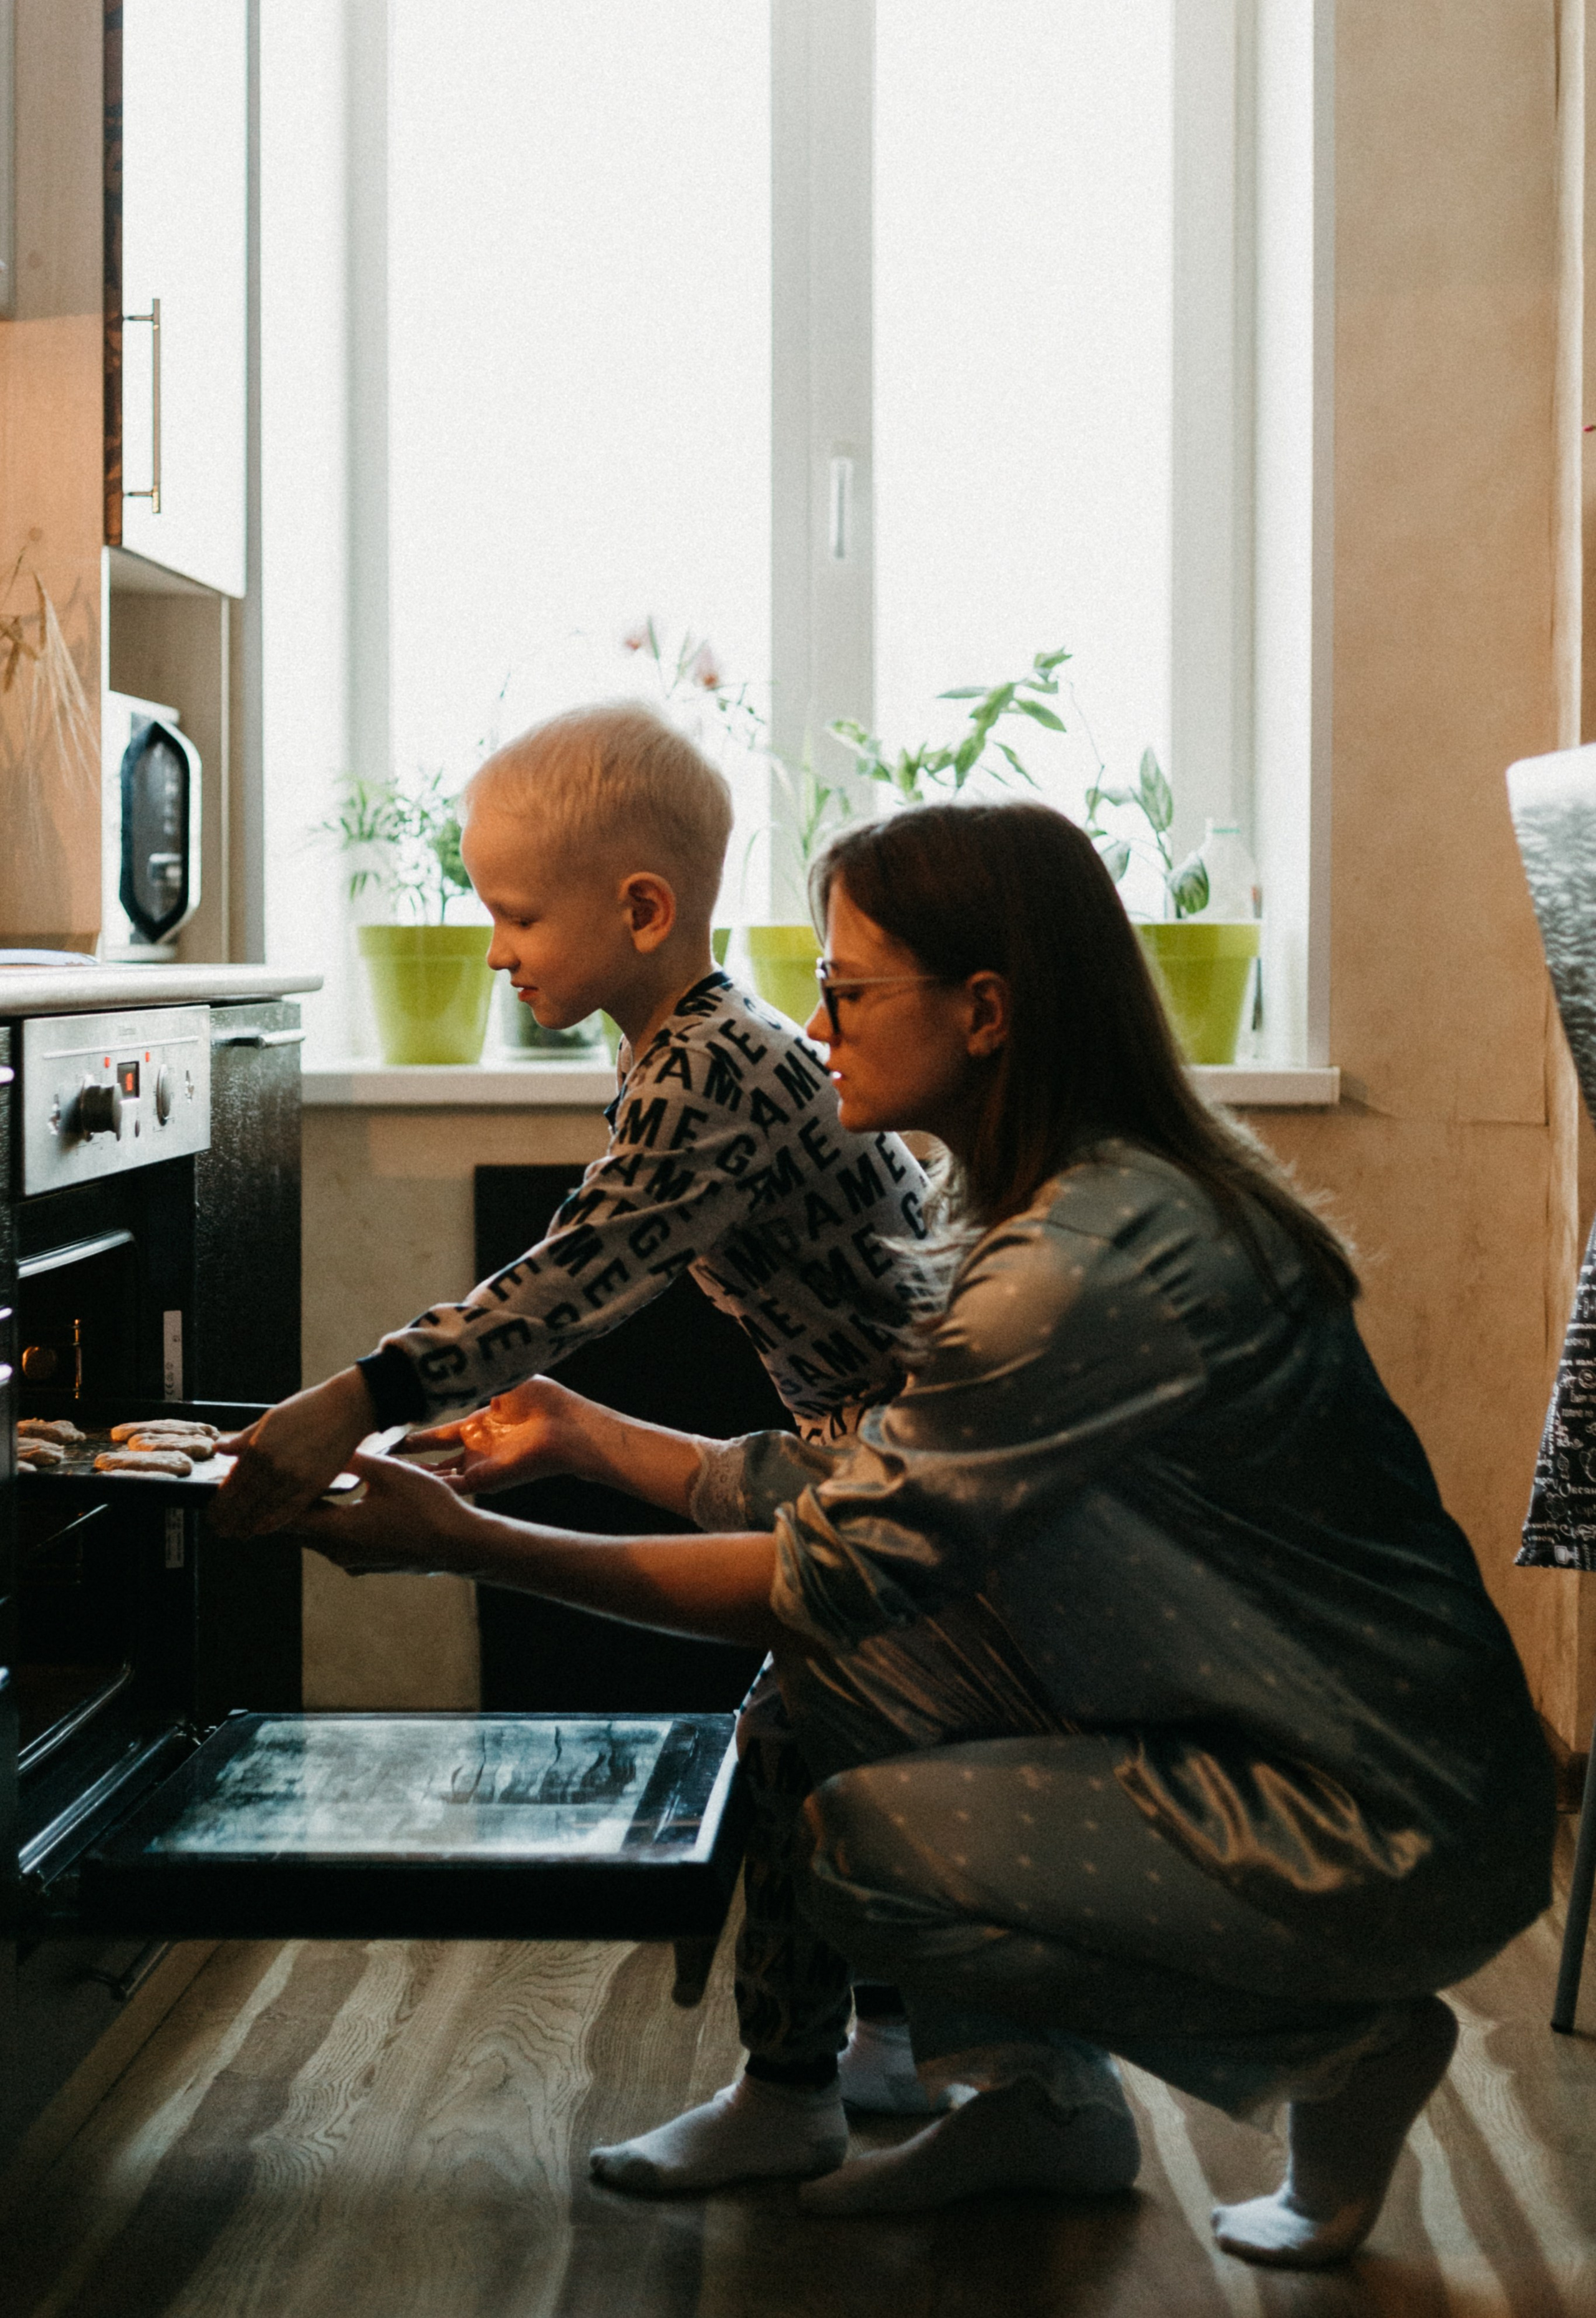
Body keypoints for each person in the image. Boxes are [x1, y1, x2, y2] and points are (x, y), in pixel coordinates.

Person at [281, 799, 1555, 2270]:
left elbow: (821, 1575)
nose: (817, 1025)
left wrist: (470, 1545)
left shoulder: (1070, 1269)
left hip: (1375, 1819)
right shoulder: (1095, 1198)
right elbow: (877, 1494)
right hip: (1352, 1752)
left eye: (845, 989)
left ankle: (1334, 2042)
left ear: (984, 1011)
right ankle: (1038, 2106)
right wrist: (583, 1436)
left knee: (857, 1847)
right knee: (827, 1696)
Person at [213, 698, 940, 2158]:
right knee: (838, 1734)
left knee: (794, 1731)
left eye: (517, 915)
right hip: (872, 1435)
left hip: (916, 1449)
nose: (493, 950)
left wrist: (358, 1394)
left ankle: (796, 2090)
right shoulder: (691, 1049)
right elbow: (588, 1261)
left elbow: (571, 1277)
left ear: (642, 911)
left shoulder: (709, 1071)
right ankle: (884, 2039)